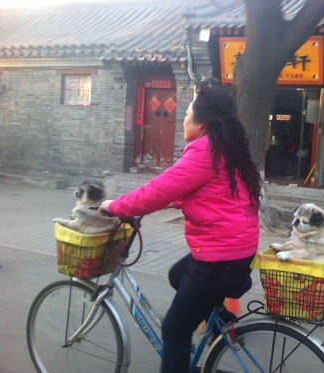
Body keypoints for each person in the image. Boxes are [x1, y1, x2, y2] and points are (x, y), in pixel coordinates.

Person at [99, 85, 261, 372]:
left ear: (202, 123)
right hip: (238, 251)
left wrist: (115, 206)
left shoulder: (205, 151)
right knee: (178, 274)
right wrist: (177, 201)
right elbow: (214, 192)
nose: (183, 119)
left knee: (175, 329)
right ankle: (220, 325)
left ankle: (208, 334)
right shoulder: (227, 149)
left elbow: (157, 190)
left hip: (219, 259)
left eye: (186, 113)